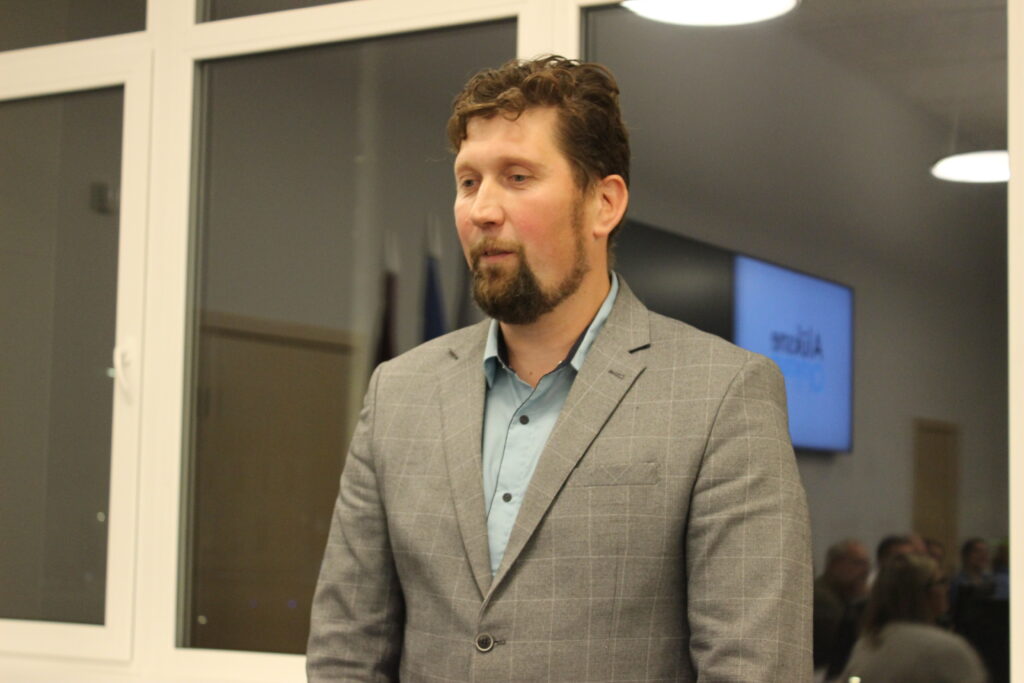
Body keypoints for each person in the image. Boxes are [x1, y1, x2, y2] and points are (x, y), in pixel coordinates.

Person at [306, 55, 812, 682]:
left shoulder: (723, 394)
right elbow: (346, 651)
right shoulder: (399, 390)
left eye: (517, 177)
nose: (481, 210)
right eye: (469, 181)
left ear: (604, 203)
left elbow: (754, 668)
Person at [839, 553, 987, 683]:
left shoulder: (866, 643)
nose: (947, 588)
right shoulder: (945, 648)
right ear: (920, 592)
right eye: (941, 581)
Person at [813, 539, 870, 676]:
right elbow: (847, 641)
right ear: (835, 564)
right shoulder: (821, 598)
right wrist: (860, 601)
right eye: (858, 563)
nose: (865, 571)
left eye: (867, 564)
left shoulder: (843, 594)